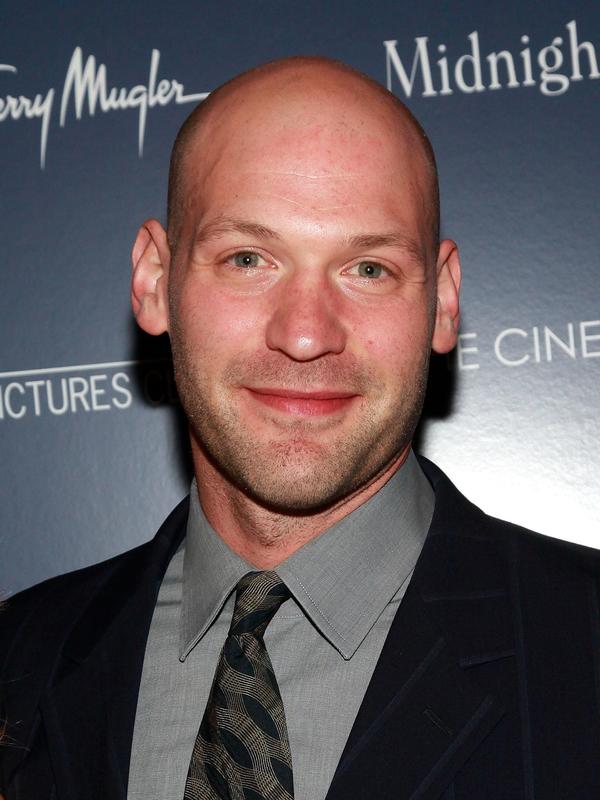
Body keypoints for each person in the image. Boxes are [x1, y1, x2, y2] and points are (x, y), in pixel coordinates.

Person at [1, 56, 599, 800]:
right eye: (249, 259)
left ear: (443, 303)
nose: (307, 334)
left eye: (368, 269)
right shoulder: (20, 657)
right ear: (154, 281)